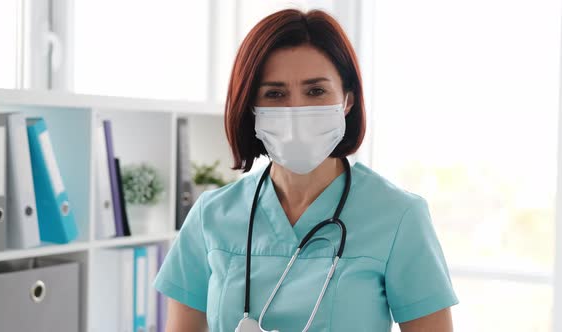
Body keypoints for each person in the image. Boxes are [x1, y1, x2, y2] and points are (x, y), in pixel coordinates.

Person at [154, 8, 458, 332]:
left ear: (348, 100)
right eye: (275, 94)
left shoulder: (398, 216)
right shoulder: (210, 216)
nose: (296, 109)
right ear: (251, 107)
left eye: (315, 91)